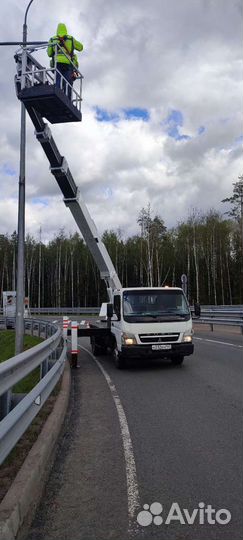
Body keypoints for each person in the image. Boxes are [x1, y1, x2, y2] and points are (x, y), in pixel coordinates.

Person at [47, 23, 83, 99]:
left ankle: (57, 94)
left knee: (58, 81)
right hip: (68, 63)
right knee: (68, 83)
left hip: (58, 62)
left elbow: (49, 54)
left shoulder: (52, 39)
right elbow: (81, 47)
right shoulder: (71, 39)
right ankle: (68, 99)